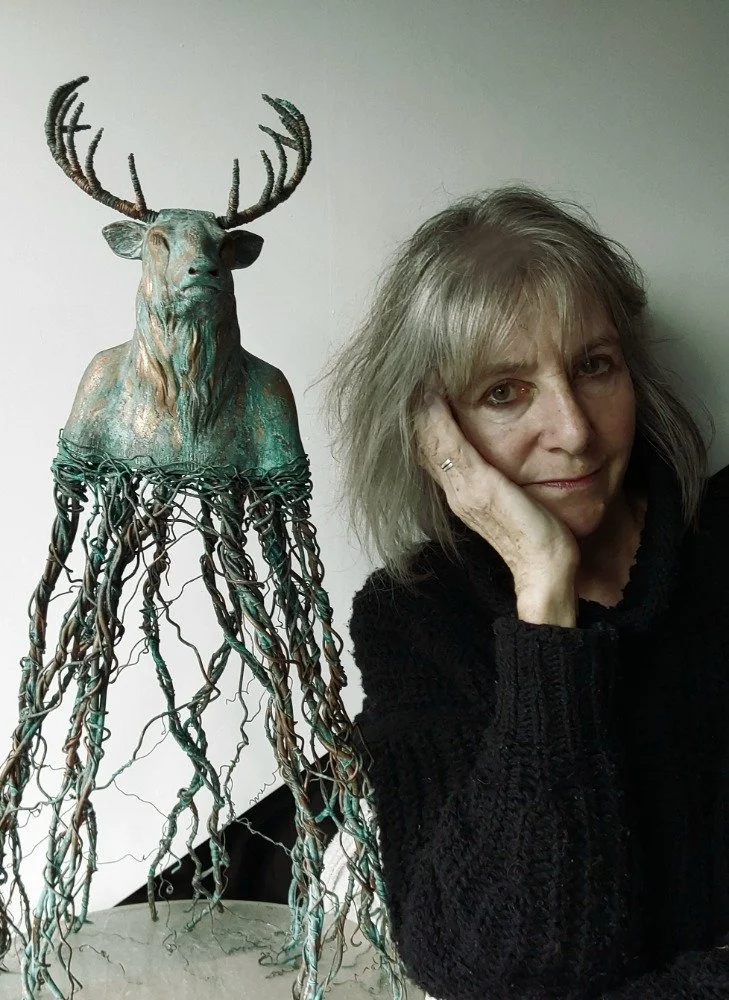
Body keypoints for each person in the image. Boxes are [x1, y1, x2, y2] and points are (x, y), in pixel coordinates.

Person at [322, 186, 729, 999]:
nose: (574, 429)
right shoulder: (413, 619)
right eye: (504, 392)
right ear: (437, 435)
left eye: (593, 367)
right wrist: (545, 604)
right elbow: (489, 966)